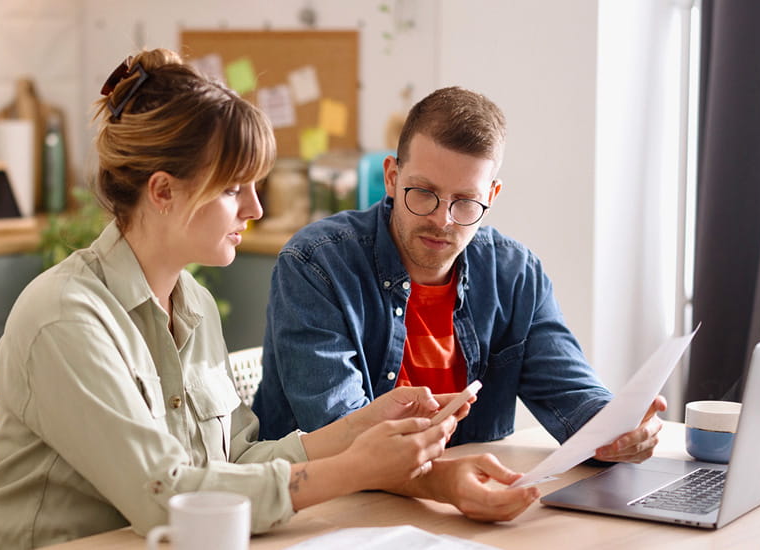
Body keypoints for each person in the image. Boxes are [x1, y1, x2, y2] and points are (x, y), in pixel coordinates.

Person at [0, 50, 473, 549]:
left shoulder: (196, 305)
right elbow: (166, 498)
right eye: (233, 189)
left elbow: (231, 461)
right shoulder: (65, 318)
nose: (253, 207)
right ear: (163, 191)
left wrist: (361, 428)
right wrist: (355, 469)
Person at [252, 86, 666, 520]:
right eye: (423, 193)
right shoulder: (316, 263)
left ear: (492, 195)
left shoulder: (515, 273)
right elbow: (337, 433)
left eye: (465, 202)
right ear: (392, 177)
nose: (441, 219)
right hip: (321, 511)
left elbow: (574, 396)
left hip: (457, 511)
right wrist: (444, 483)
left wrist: (619, 429)